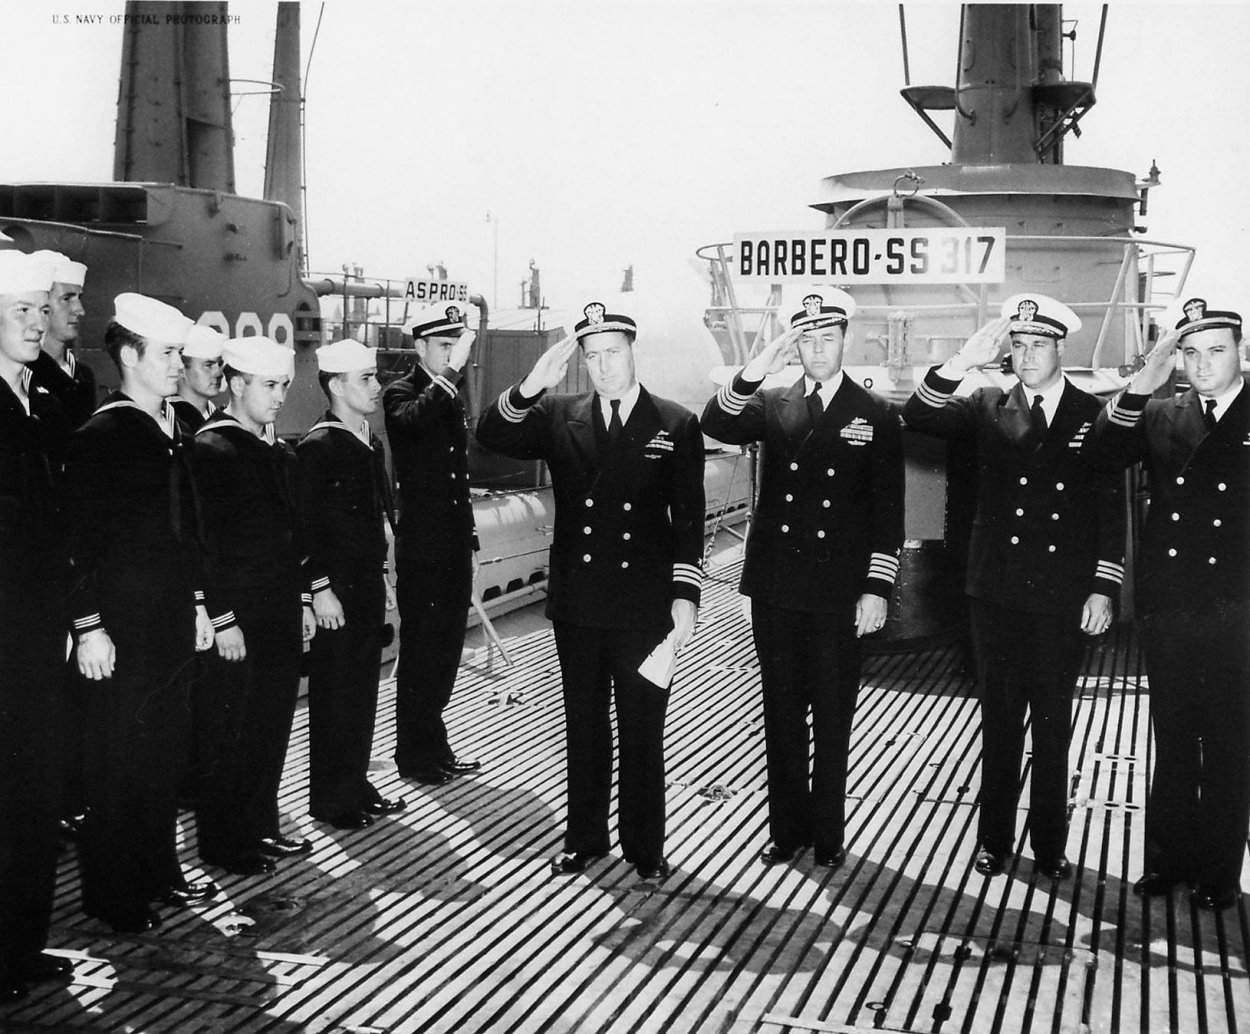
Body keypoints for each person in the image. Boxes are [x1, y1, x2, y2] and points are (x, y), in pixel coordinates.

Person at [478, 302, 704, 881]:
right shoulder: (560, 414)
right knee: (583, 724)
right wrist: (531, 385)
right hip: (579, 602)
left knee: (641, 728)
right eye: (593, 356)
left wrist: (685, 595)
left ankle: (644, 847)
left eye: (613, 353)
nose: (604, 366)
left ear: (632, 351)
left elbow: (688, 519)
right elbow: (491, 432)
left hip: (644, 606)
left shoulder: (675, 423)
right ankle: (585, 839)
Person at [901, 294, 1125, 880]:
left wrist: (1103, 585)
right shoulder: (984, 405)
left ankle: (1050, 845)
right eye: (1018, 345)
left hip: (1060, 594)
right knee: (999, 721)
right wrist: (961, 362)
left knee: (1052, 723)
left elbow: (1109, 503)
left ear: (1060, 348)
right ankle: (994, 841)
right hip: (996, 591)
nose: (1027, 356)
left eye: (1039, 345)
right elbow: (919, 415)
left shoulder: (1092, 413)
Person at [702, 289, 903, 870]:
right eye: (806, 340)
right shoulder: (772, 400)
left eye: (826, 338)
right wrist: (758, 366)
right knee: (782, 712)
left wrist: (877, 587)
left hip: (840, 589)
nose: (817, 349)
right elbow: (716, 420)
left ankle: (828, 833)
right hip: (778, 587)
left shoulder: (875, 412)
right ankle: (786, 831)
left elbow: (887, 510)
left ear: (846, 340)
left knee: (834, 713)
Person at [63, 292, 218, 934]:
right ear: (129, 356)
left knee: (163, 753)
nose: (179, 365)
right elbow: (76, 541)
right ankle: (114, 893)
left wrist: (200, 605)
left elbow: (189, 531)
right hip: (121, 627)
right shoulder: (103, 436)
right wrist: (88, 626)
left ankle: (158, 870)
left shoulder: (173, 428)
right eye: (168, 353)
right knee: (118, 758)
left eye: (181, 353)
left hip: (170, 620)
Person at [1089, 297, 1248, 910]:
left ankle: (1219, 873)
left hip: (1239, 605)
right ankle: (1167, 861)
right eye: (1191, 353)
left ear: (1241, 352)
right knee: (1175, 736)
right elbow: (1100, 454)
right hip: (1173, 603)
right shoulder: (1160, 414)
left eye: (1216, 351)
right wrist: (1140, 385)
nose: (1202, 365)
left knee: (1230, 740)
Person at [193, 336, 315, 875]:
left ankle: (261, 825)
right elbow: (205, 546)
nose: (280, 397)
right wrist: (222, 619)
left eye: (284, 385)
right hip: (238, 617)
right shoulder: (211, 450)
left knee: (270, 726)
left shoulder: (274, 450)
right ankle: (224, 842)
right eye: (269, 385)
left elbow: (292, 537)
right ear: (237, 384)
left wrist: (303, 599)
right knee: (230, 730)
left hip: (277, 612)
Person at [0, 252, 74, 999]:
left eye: (39, 309)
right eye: (19, 311)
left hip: (36, 634)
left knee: (32, 795)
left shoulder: (38, 401)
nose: (36, 322)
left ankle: (20, 948)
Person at [299, 339, 406, 829]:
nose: (377, 386)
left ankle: (355, 782)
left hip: (364, 586)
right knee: (335, 694)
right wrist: (319, 589)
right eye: (366, 379)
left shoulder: (367, 440)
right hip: (335, 593)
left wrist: (383, 577)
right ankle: (331, 798)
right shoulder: (319, 447)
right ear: (337, 386)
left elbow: (370, 521)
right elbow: (306, 528)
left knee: (362, 691)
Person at [382, 306, 481, 785]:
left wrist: (471, 538)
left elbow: (458, 476)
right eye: (444, 346)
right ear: (420, 346)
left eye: (455, 346)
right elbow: (412, 424)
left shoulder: (448, 392)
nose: (451, 354)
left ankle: (435, 745)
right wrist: (451, 373)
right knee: (422, 651)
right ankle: (413, 754)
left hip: (453, 542)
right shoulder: (400, 392)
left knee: (446, 649)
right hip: (423, 546)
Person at [27, 249, 95, 428]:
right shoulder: (21, 373)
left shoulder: (83, 375)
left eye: (79, 298)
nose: (80, 310)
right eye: (67, 298)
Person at [170, 323, 226, 432]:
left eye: (220, 364)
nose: (219, 373)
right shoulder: (168, 421)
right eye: (208, 365)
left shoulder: (222, 420)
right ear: (181, 369)